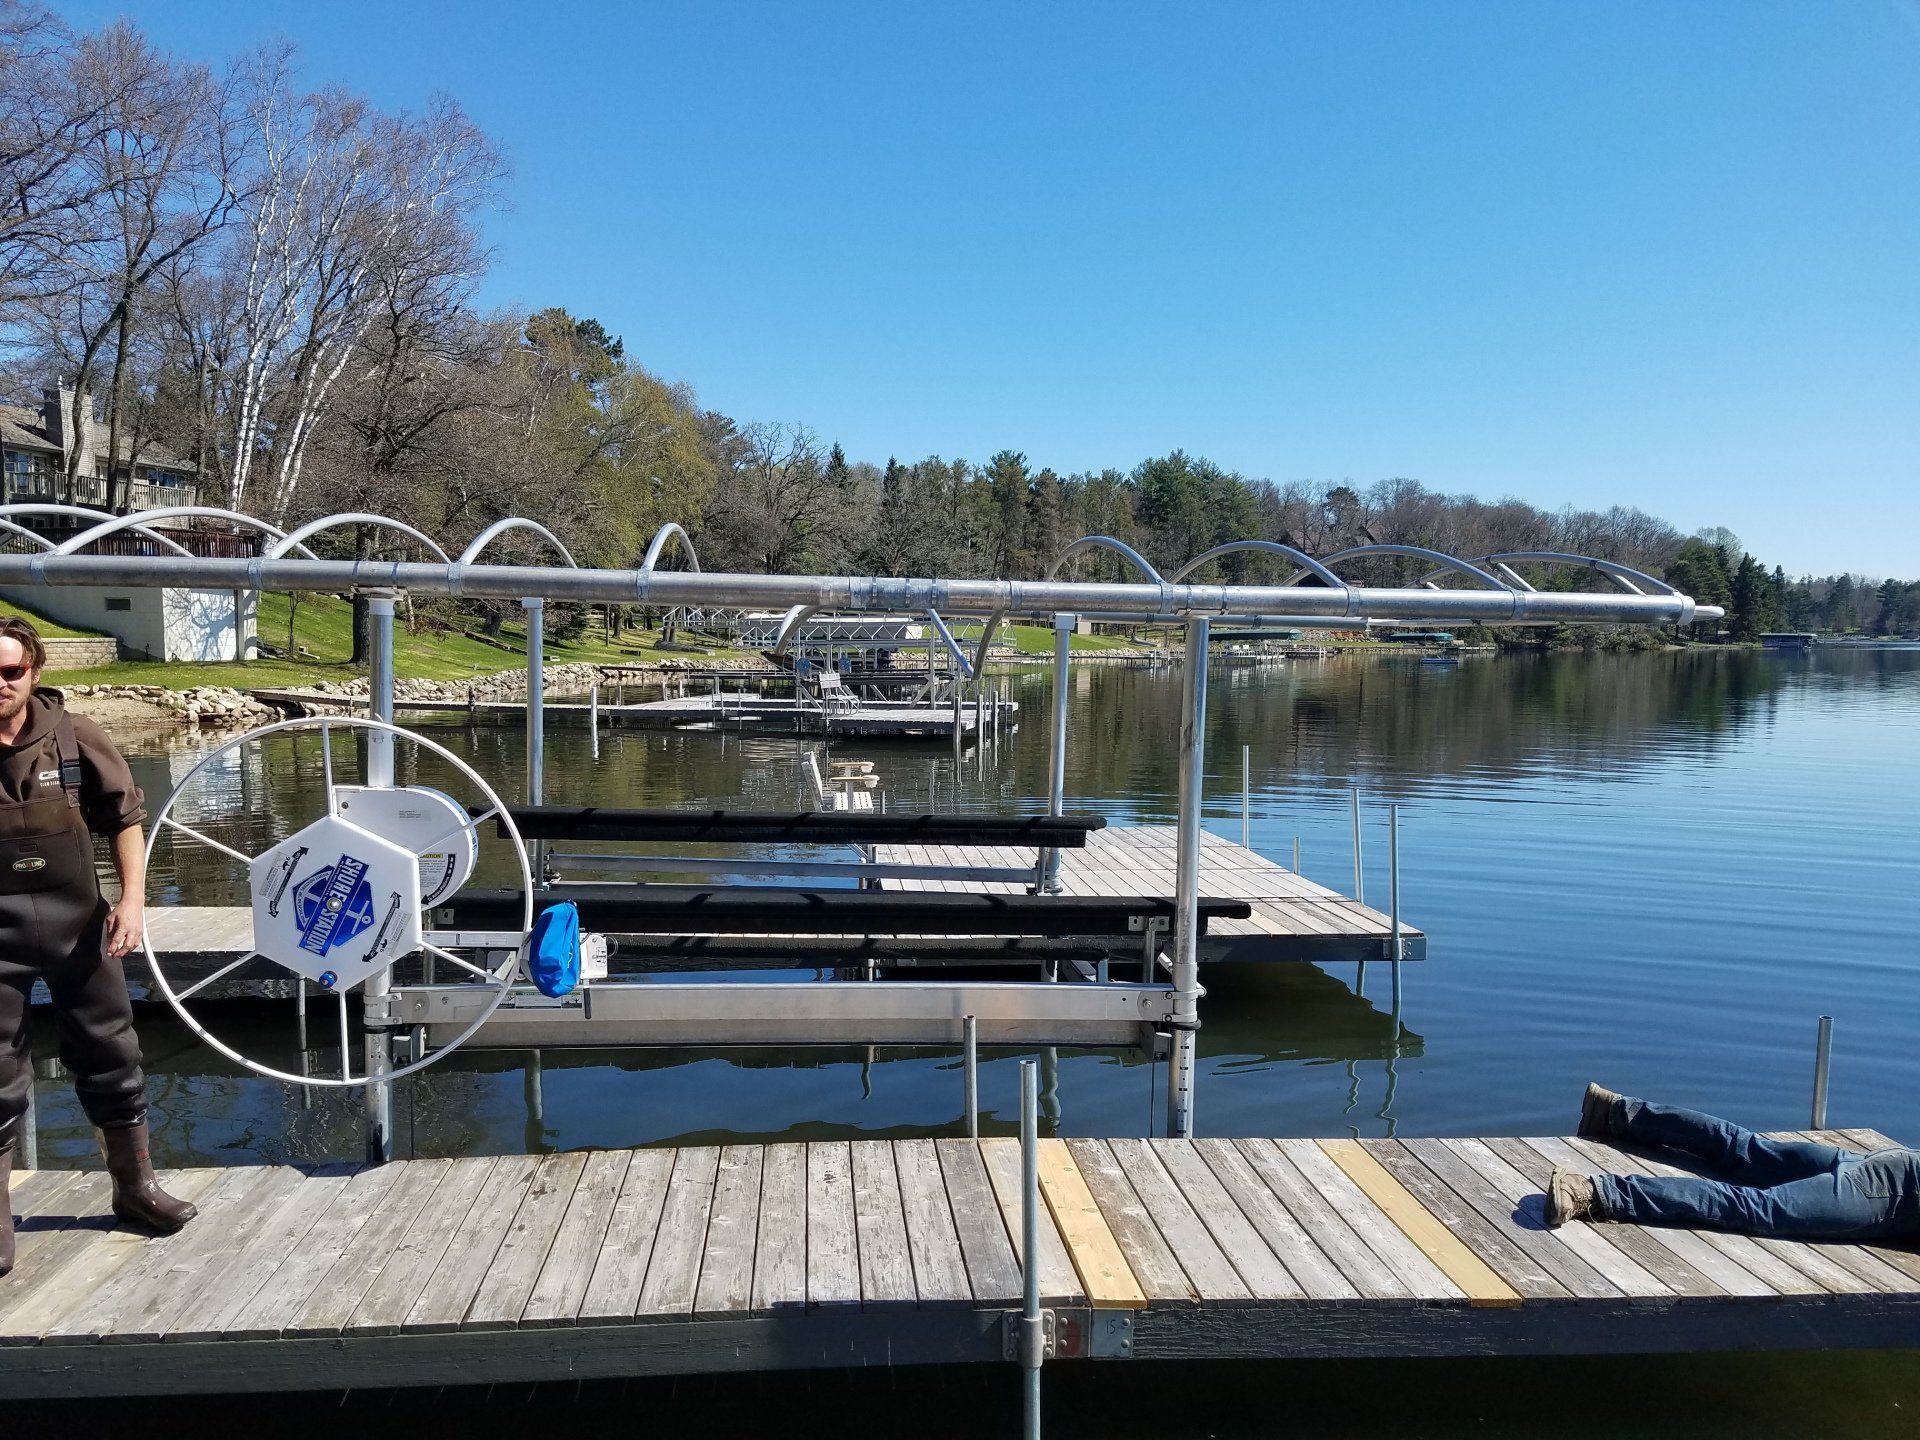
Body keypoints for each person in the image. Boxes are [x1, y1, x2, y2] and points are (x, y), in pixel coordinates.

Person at [0, 616, 195, 1277]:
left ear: (35, 671)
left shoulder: (76, 739)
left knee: (114, 1056)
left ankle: (135, 1190)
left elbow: (127, 821)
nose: (0, 683)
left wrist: (133, 901)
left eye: (11, 672)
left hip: (80, 927)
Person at [1545, 1082, 1920, 1242]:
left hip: (1894, 1164)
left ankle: (1616, 1113)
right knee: (1761, 1208)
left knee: (1748, 1150)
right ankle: (1594, 1192)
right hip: (1886, 1196)